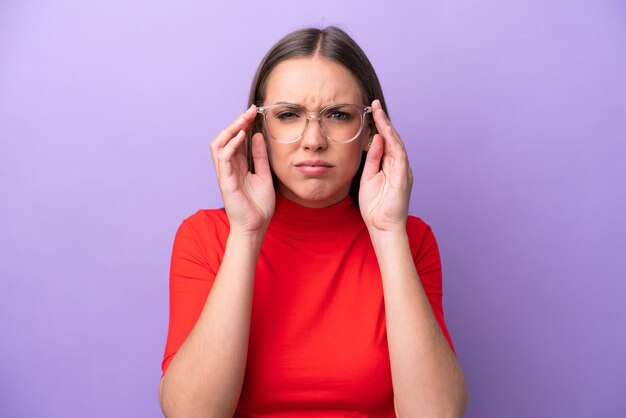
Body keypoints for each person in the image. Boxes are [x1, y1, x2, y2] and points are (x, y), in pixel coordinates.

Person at [159, 26, 467, 417]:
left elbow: (436, 414)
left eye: (338, 115)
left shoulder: (411, 238)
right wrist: (247, 232)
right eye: (288, 115)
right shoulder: (205, 237)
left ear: (370, 131)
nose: (313, 139)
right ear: (258, 129)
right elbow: (191, 413)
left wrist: (388, 232)